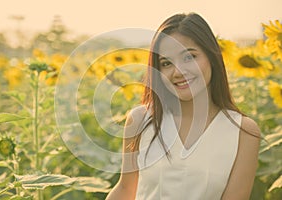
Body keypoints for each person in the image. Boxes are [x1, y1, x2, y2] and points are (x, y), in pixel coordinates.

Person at [106, 12, 260, 200]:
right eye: (166, 63)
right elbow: (125, 190)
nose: (177, 71)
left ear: (212, 57)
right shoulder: (141, 119)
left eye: (189, 57)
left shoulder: (243, 131)